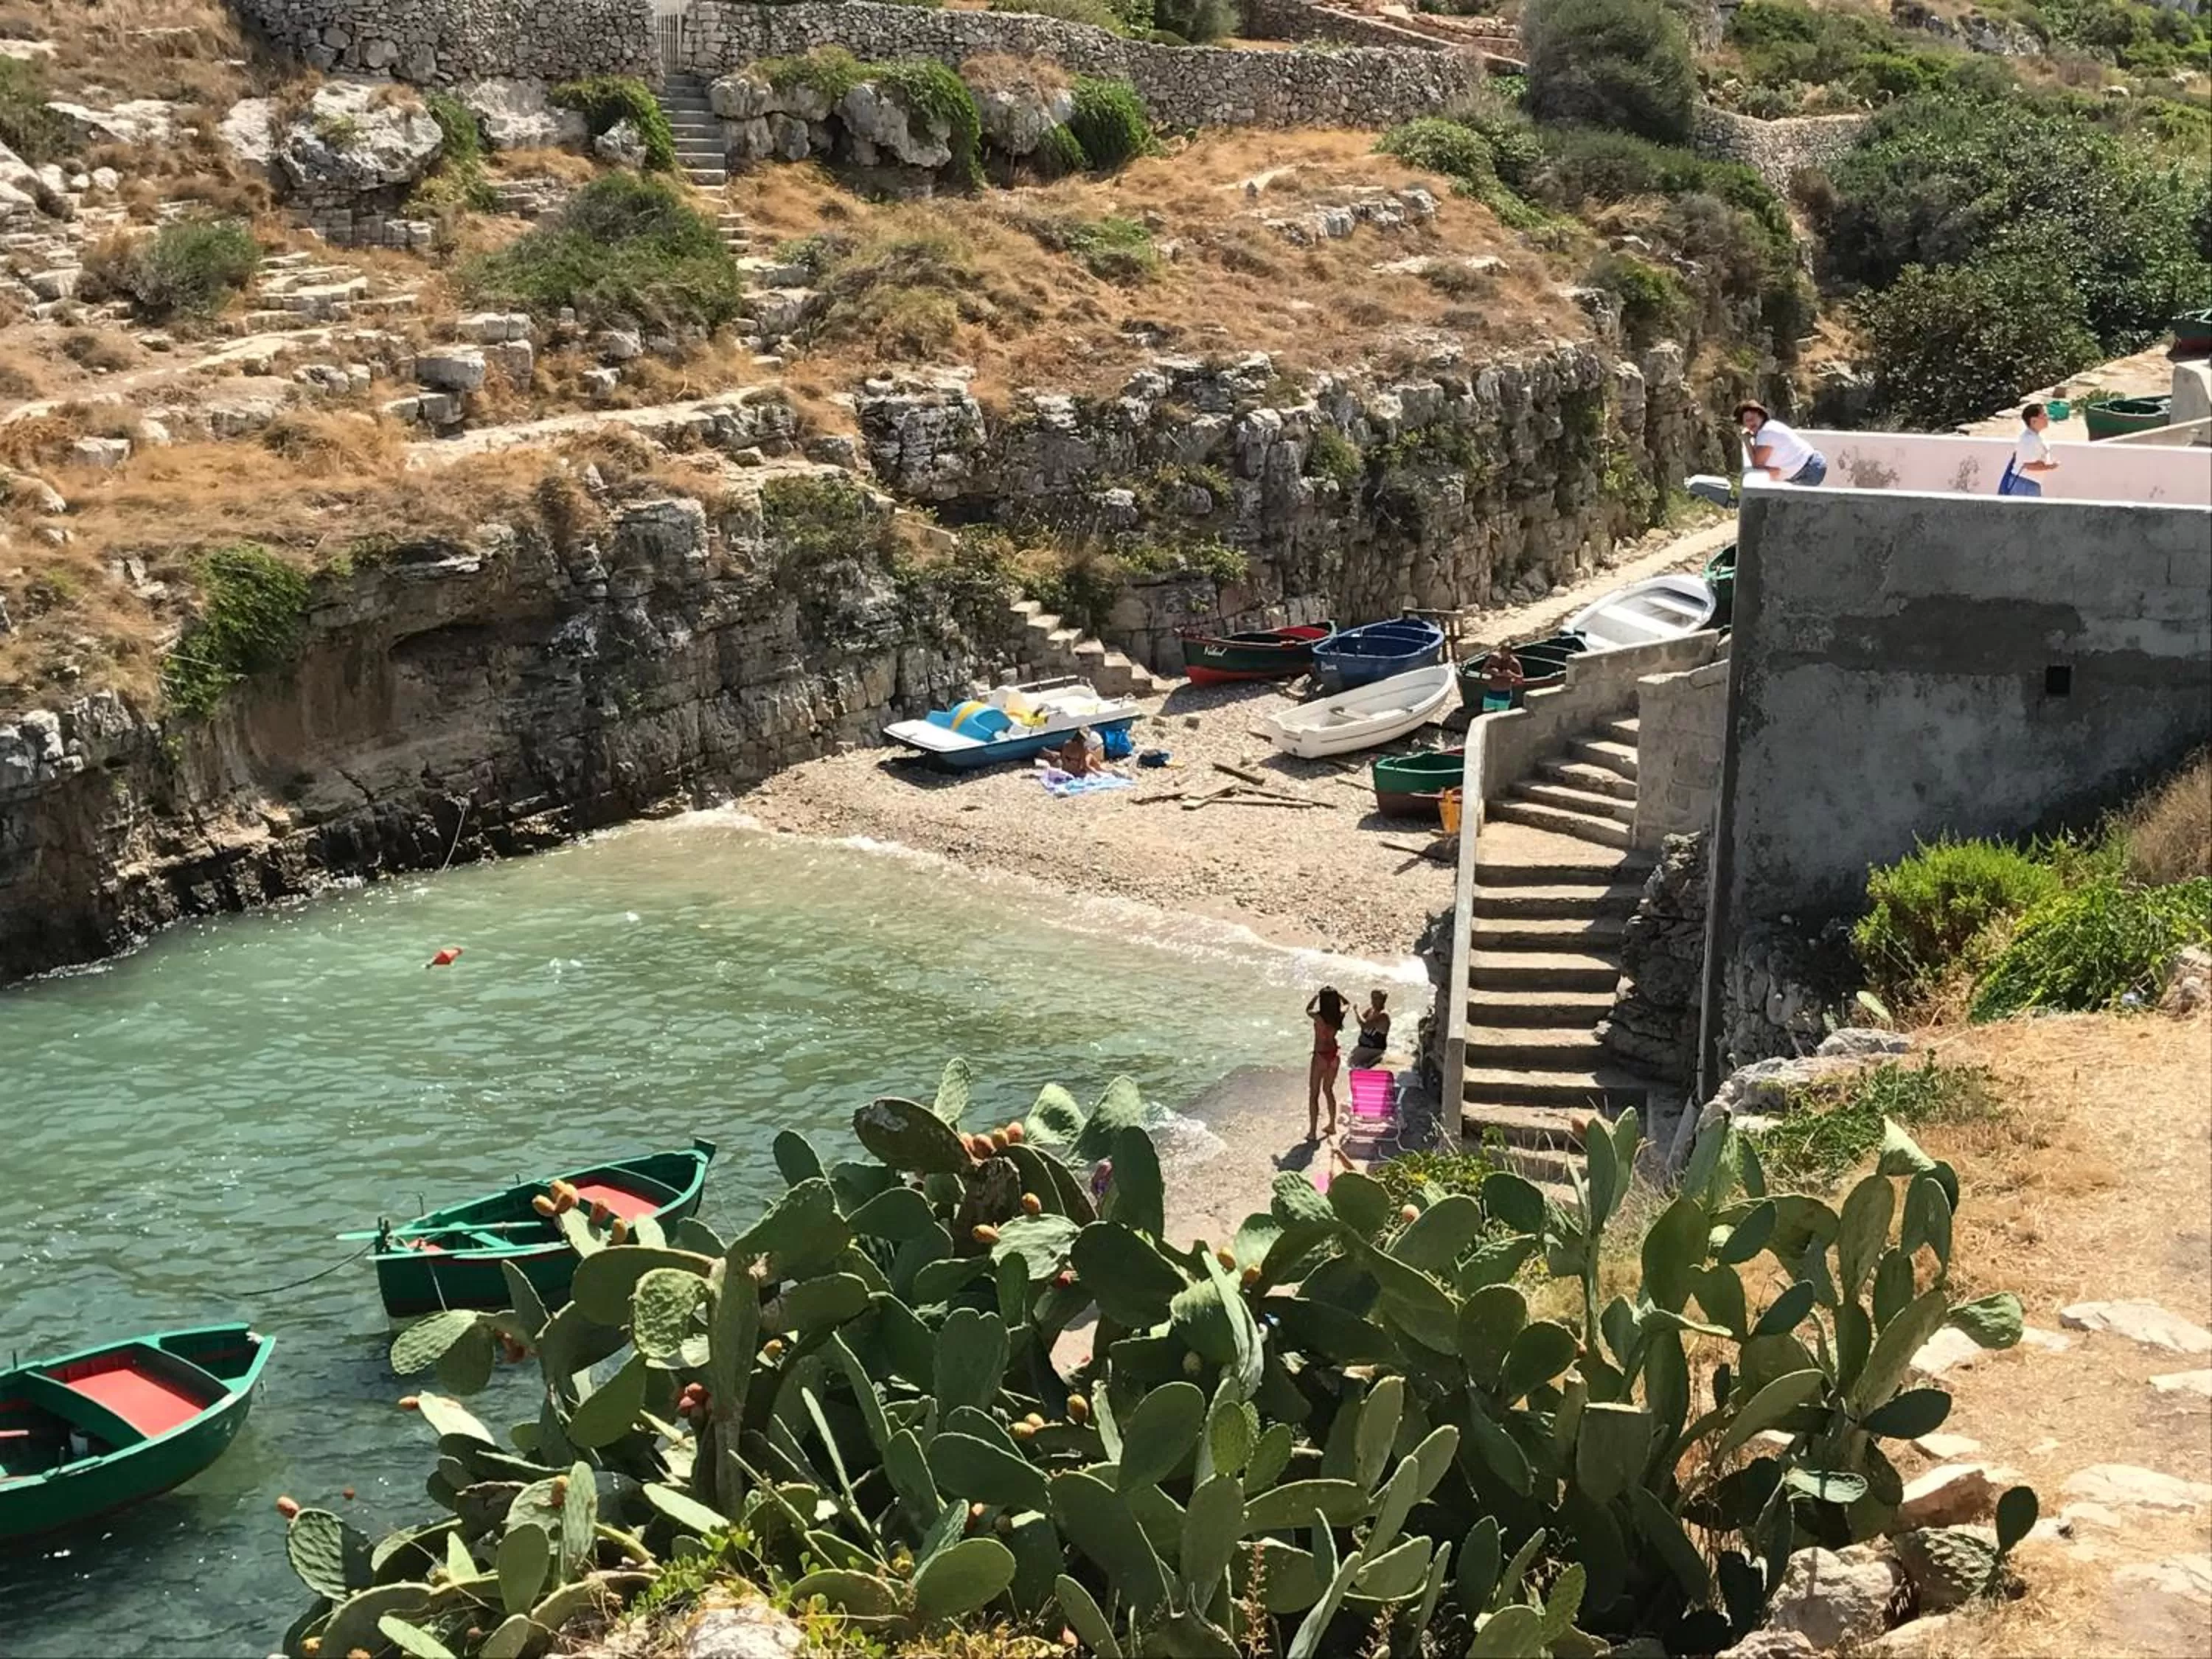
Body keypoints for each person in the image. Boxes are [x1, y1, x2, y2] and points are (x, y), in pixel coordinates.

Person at [1735, 401, 1826, 487]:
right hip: (1811, 465)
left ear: (1761, 416)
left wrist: (1747, 441)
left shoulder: (1766, 433)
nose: (1751, 422)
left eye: (1753, 418)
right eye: (1747, 421)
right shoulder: (1768, 427)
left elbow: (1757, 465)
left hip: (1809, 471)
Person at [1305, 986, 1347, 1140]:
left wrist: (1316, 996)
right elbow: (1347, 1004)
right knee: (1328, 1090)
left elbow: (1308, 1009)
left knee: (1314, 1094)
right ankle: (1332, 1125)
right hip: (1334, 1056)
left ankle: (1312, 1132)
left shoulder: (1318, 1017)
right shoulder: (1339, 1016)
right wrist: (1339, 996)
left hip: (1320, 1057)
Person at [2000, 403, 2059, 498]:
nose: (2047, 418)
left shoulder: (2034, 437)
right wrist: (2050, 466)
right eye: (2044, 415)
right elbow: (2029, 465)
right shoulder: (2029, 440)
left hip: (2028, 483)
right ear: (2033, 421)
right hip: (2025, 485)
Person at [1348, 990, 1391, 1069]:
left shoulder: (1383, 1015)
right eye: (1372, 998)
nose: (1373, 1001)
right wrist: (1358, 1013)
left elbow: (1365, 1025)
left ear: (1383, 1000)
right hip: (1364, 1047)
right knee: (1349, 1063)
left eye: (1377, 999)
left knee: (1354, 1067)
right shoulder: (1371, 1010)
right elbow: (1360, 1021)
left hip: (1375, 1049)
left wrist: (1357, 1010)